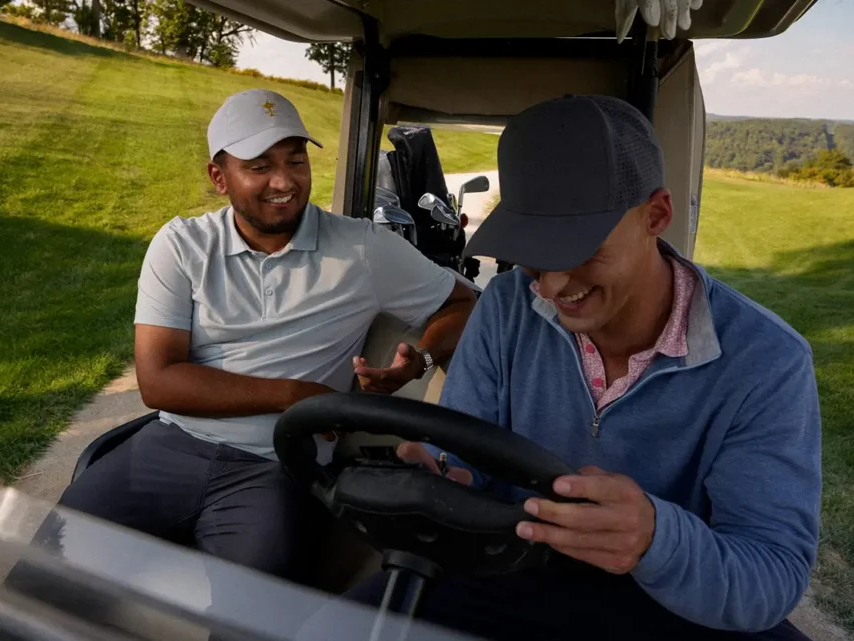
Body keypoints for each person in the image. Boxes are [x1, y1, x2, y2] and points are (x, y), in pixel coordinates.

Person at [0, 89, 476, 641]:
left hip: (278, 465)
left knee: (250, 623)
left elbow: (464, 303)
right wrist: (295, 396)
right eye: (259, 166)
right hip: (168, 449)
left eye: (295, 160)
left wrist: (419, 358)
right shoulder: (182, 245)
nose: (284, 181)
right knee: (33, 591)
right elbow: (159, 382)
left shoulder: (362, 248)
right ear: (219, 177)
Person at [329, 95, 822, 640]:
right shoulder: (507, 307)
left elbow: (770, 574)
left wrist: (656, 540)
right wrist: (447, 476)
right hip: (513, 573)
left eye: (580, 248)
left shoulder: (767, 360)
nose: (553, 286)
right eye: (535, 250)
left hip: (673, 605)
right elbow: (469, 458)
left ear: (656, 215)